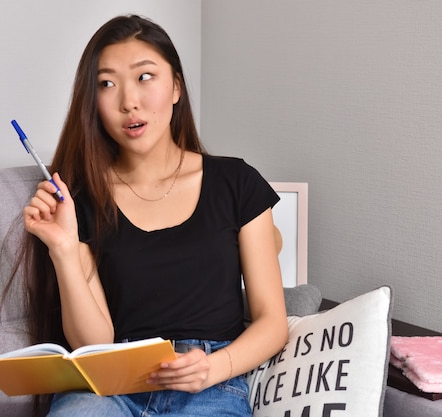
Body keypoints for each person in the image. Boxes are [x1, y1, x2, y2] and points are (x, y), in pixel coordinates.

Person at [14, 14, 288, 416]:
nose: (129, 101)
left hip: (210, 387)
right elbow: (95, 342)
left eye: (145, 77)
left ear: (176, 86)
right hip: (112, 388)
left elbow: (272, 322)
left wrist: (213, 368)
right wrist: (63, 249)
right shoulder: (82, 200)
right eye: (107, 84)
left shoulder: (237, 183)